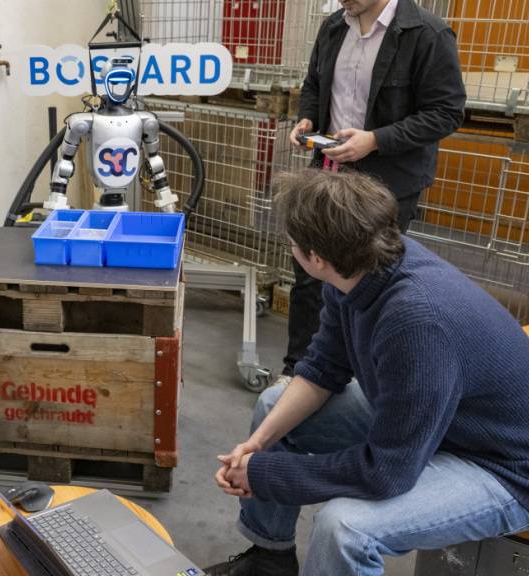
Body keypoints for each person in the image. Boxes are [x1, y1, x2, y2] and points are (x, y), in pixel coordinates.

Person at [205, 169, 529, 576]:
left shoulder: (415, 323)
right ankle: (270, 559)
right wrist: (256, 446)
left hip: (501, 464)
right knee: (274, 405)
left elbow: (386, 472)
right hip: (438, 422)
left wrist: (265, 473)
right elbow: (323, 368)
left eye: (291, 244)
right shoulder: (358, 268)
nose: (290, 249)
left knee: (345, 527)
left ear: (316, 258)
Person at [280, 0, 466, 385]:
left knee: (370, 283)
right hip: (329, 175)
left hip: (385, 184)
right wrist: (309, 117)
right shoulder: (334, 27)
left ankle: (363, 380)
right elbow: (314, 84)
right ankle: (297, 370)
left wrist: (376, 141)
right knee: (310, 273)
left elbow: (446, 112)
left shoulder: (427, 35)